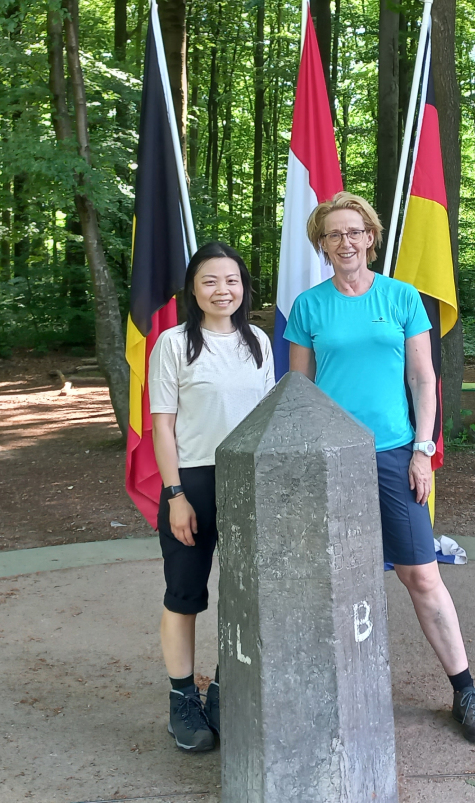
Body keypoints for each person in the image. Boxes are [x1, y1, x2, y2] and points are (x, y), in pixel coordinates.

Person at [285, 191, 475, 744]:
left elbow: (424, 379)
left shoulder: (401, 297)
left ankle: (466, 691)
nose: (346, 242)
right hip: (330, 458)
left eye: (355, 231)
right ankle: (322, 692)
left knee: (420, 574)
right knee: (327, 576)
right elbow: (299, 392)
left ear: (371, 238)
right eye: (334, 234)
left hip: (395, 455)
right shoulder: (308, 306)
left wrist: (423, 450)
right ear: (321, 244)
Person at [149, 242, 274, 752]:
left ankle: (225, 689)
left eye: (232, 280)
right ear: (193, 289)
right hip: (193, 482)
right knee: (184, 595)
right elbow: (162, 426)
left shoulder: (258, 341)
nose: (223, 290)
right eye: (210, 281)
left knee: (245, 591)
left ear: (244, 287)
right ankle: (183, 699)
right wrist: (175, 494)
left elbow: (267, 418)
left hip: (248, 481)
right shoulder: (174, 343)